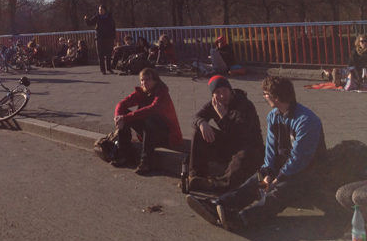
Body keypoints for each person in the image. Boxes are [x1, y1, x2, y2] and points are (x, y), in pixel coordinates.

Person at [186, 76, 326, 232]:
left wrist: (277, 178)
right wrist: (267, 172)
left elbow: (299, 159)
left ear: (276, 97)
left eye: (266, 94)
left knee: (278, 191)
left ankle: (243, 219)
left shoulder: (306, 121)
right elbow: (271, 150)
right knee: (255, 183)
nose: (265, 97)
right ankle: (217, 205)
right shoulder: (273, 116)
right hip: (284, 167)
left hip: (308, 171)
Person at [188, 75, 264, 193]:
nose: (222, 95)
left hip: (248, 146)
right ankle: (195, 176)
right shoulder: (214, 104)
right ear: (213, 95)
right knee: (198, 132)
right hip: (228, 144)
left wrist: (223, 115)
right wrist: (201, 122)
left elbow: (240, 134)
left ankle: (216, 185)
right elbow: (194, 117)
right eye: (217, 92)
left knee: (243, 158)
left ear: (230, 90)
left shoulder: (244, 104)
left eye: (225, 90)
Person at [112, 68, 183, 175]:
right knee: (124, 114)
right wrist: (118, 117)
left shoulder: (162, 93)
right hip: (148, 132)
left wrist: (125, 118)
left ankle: (146, 162)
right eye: (142, 80)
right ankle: (125, 154)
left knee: (150, 118)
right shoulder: (142, 91)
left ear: (155, 81)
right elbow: (121, 104)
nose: (144, 83)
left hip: (165, 134)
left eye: (147, 80)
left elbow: (151, 109)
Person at [84, 5, 117, 75]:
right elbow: (90, 23)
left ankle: (109, 68)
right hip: (99, 37)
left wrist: (114, 37)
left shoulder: (109, 17)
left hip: (109, 37)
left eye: (101, 10)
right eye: (99, 10)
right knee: (100, 54)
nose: (100, 11)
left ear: (105, 10)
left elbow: (113, 27)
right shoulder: (97, 17)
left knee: (108, 54)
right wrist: (86, 20)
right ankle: (103, 69)